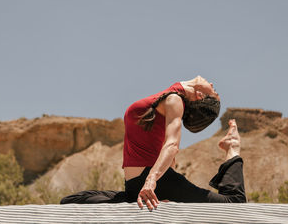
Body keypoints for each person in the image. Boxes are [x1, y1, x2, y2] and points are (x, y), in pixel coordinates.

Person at [60, 76, 246, 209]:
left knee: (234, 204)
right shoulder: (169, 95)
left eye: (214, 92)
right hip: (135, 186)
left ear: (200, 96)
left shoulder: (175, 101)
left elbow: (172, 145)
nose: (212, 84)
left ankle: (232, 147)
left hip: (156, 182)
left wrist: (151, 180)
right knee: (71, 201)